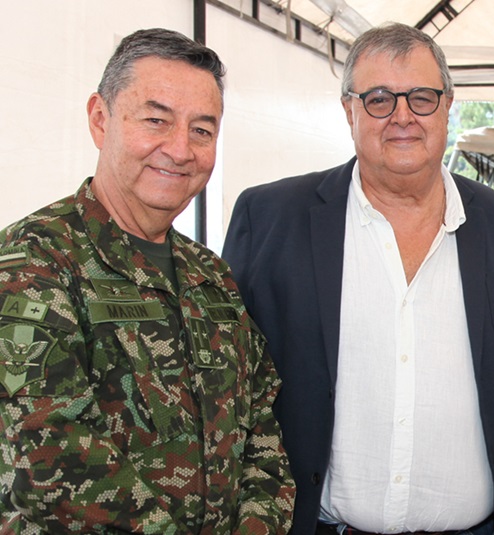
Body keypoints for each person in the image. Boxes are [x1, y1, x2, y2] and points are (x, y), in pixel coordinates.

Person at [223, 22, 494, 535]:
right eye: (378, 100)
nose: (402, 117)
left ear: (447, 106)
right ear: (348, 110)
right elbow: (230, 393)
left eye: (421, 98)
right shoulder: (271, 218)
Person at [0, 28, 295, 533]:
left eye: (201, 130)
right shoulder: (34, 259)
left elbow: (261, 429)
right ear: (100, 118)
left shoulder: (211, 276)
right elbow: (48, 457)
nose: (180, 150)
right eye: (156, 120)